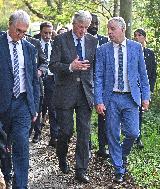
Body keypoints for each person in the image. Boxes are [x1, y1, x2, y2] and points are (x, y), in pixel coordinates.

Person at [94, 17, 150, 183]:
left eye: (112, 29)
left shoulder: (136, 47)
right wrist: (99, 100)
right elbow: (98, 77)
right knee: (112, 133)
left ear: (122, 29)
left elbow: (143, 74)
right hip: (110, 98)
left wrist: (146, 96)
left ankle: (121, 154)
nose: (109, 32)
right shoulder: (103, 50)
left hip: (130, 97)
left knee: (133, 132)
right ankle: (119, 168)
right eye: (108, 29)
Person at [49, 10, 97, 183]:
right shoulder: (60, 40)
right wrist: (70, 66)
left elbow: (95, 67)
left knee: (84, 132)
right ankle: (61, 156)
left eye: (86, 27)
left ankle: (81, 169)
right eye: (80, 27)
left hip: (85, 93)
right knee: (66, 131)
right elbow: (52, 66)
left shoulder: (93, 41)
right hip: (65, 92)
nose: (82, 31)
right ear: (73, 24)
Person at [0, 10, 40, 189]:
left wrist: (34, 108)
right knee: (2, 147)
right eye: (18, 30)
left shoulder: (30, 48)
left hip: (23, 103)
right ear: (10, 25)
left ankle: (20, 185)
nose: (21, 35)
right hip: (2, 104)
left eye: (25, 32)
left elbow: (34, 81)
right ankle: (5, 175)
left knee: (22, 146)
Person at [87, 13, 109, 159]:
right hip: (87, 84)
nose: (94, 26)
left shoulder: (105, 41)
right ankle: (86, 146)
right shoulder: (82, 40)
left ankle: (102, 147)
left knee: (103, 116)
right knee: (85, 117)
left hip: (103, 85)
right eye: (92, 23)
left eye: (97, 23)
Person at [134, 28, 157, 149]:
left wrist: (150, 91)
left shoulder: (150, 53)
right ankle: (132, 135)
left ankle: (138, 138)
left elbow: (153, 73)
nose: (136, 37)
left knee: (140, 113)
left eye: (139, 35)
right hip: (133, 87)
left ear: (144, 37)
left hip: (145, 88)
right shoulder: (132, 51)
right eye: (135, 36)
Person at [26, 35, 48, 144]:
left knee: (36, 112)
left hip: (35, 86)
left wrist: (40, 71)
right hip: (16, 90)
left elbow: (44, 62)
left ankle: (36, 132)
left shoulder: (34, 43)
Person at [39, 22, 58, 147]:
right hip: (39, 79)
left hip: (51, 79)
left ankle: (54, 136)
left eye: (50, 33)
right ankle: (36, 131)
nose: (47, 36)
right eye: (45, 33)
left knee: (52, 108)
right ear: (41, 32)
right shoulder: (35, 44)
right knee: (39, 107)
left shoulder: (54, 45)